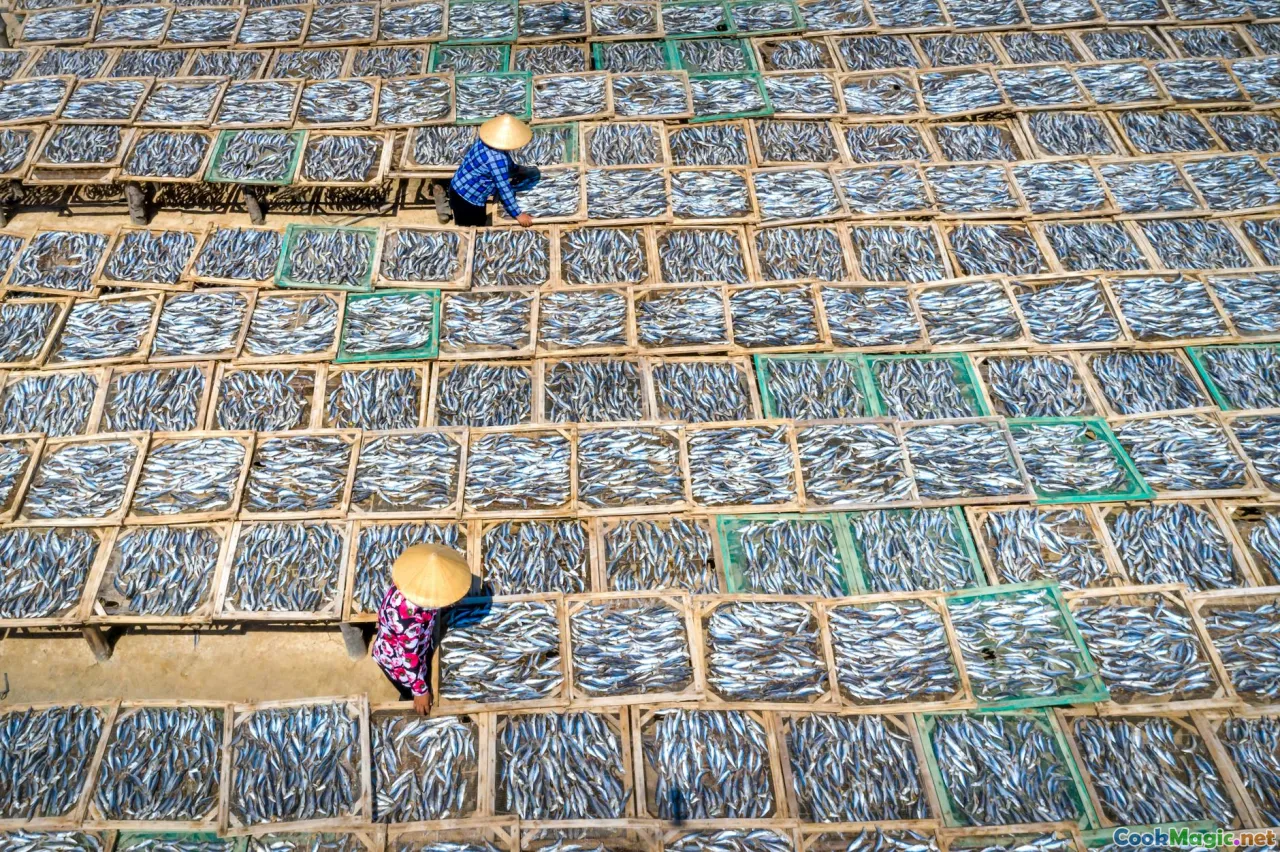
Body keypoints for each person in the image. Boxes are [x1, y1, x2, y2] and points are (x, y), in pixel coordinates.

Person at [370, 543, 473, 714]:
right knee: (410, 691)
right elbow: (409, 658)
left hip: (412, 644)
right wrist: (420, 691)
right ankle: (407, 698)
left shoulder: (408, 585)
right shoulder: (407, 621)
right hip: (397, 662)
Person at [448, 113, 536, 228]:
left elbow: (506, 162)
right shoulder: (496, 158)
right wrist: (518, 214)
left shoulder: (487, 141)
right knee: (471, 230)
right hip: (467, 198)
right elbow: (504, 188)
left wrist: (517, 169)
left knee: (479, 221)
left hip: (459, 185)